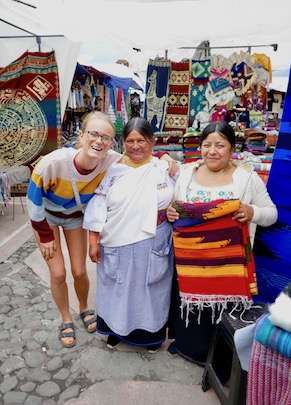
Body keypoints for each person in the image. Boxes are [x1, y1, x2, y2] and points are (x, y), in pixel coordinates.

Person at [27, 111, 176, 348]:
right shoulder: (54, 163)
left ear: (111, 142)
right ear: (82, 135)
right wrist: (46, 237)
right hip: (46, 218)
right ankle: (66, 319)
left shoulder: (115, 160)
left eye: (105, 137)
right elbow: (34, 202)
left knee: (79, 271)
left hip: (75, 218)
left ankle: (85, 309)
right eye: (93, 134)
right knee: (57, 273)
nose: (99, 141)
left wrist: (166, 157)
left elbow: (146, 158)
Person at [166, 121, 277, 367]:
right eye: (207, 145)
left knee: (223, 315)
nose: (212, 151)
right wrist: (171, 212)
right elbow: (174, 207)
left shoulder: (247, 179)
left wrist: (252, 212)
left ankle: (220, 359)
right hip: (192, 264)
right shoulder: (186, 173)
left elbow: (272, 213)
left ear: (232, 148)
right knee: (192, 312)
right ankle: (189, 348)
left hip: (229, 265)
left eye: (220, 145)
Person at [83, 117, 175, 352]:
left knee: (150, 289)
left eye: (141, 140)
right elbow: (98, 204)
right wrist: (93, 240)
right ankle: (115, 331)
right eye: (130, 141)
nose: (135, 146)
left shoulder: (164, 168)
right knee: (117, 287)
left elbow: (181, 196)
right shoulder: (113, 170)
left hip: (154, 241)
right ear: (123, 142)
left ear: (152, 141)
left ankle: (150, 336)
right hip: (116, 240)